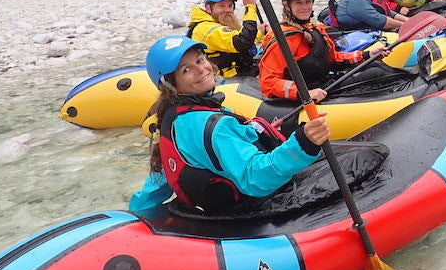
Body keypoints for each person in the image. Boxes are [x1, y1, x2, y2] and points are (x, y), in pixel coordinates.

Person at [129, 35, 330, 214]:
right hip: (249, 209)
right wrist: (303, 143)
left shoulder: (170, 117)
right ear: (171, 85)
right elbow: (255, 177)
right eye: (186, 69)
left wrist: (138, 213)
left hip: (213, 208)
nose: (202, 69)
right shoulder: (215, 127)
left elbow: (161, 178)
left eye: (200, 60)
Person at [260, 0, 388, 100]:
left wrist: (367, 55)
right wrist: (305, 93)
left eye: (308, 2)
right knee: (376, 74)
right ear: (287, 6)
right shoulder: (283, 39)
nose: (305, 7)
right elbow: (268, 82)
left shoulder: (316, 29)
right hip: (311, 92)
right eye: (299, 3)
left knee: (375, 65)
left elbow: (333, 58)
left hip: (326, 83)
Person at [186, 0, 266, 77]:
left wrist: (260, 32)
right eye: (221, 6)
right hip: (224, 80)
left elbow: (234, 38)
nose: (228, 10)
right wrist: (250, 7)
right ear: (208, 8)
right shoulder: (206, 29)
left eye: (230, 6)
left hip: (238, 72)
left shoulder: (218, 23)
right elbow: (242, 41)